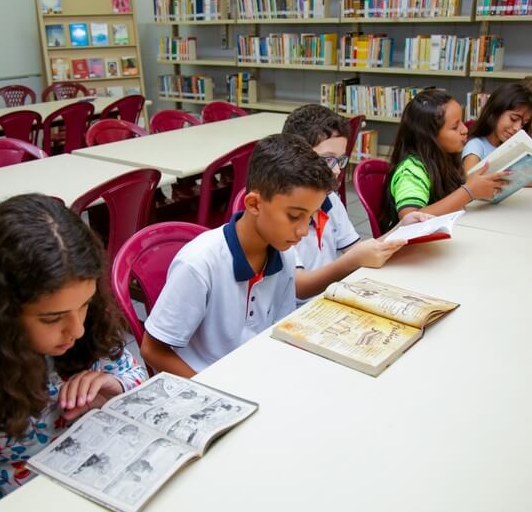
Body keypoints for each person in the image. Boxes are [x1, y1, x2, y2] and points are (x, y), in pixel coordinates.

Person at [0, 194, 146, 512]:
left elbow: (134, 374)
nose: (76, 330)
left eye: (85, 305)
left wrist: (115, 387)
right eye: (52, 318)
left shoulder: (86, 330)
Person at [141, 133, 336, 377]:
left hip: (255, 373)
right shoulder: (199, 263)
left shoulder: (285, 255)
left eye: (311, 217)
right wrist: (213, 391)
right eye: (294, 216)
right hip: (208, 383)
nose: (303, 230)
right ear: (254, 204)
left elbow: (277, 330)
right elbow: (152, 350)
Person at [282, 104, 429, 303]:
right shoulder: (283, 211)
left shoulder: (330, 199)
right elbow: (300, 288)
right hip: (296, 311)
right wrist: (353, 261)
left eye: (340, 160)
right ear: (295, 155)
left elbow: (357, 251)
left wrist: (401, 229)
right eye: (327, 159)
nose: (335, 171)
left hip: (329, 298)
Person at [380, 89, 508, 232]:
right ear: (429, 137)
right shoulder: (412, 170)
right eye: (455, 127)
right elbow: (410, 219)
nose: (465, 129)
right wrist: (469, 192)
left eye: (462, 122)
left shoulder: (445, 157)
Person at [462, 83, 532, 189]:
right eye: (513, 119)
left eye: (523, 123)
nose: (517, 128)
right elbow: (471, 182)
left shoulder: (510, 145)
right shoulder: (476, 145)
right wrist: (530, 180)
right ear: (495, 111)